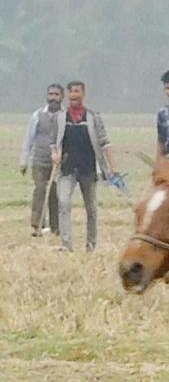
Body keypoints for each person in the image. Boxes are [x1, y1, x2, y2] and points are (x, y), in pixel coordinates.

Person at [52, 80, 120, 253]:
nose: (73, 95)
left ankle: (91, 244)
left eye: (77, 91)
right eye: (71, 92)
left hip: (88, 169)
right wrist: (55, 153)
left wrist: (113, 166)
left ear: (83, 94)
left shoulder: (93, 117)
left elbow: (105, 142)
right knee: (64, 203)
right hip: (67, 169)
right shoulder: (60, 117)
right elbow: (55, 142)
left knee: (91, 208)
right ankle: (66, 245)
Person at [20, 84, 64, 236]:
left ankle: (55, 227)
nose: (53, 97)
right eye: (51, 94)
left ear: (61, 97)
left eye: (56, 94)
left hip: (58, 162)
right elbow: (29, 138)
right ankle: (37, 225)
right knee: (39, 191)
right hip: (39, 160)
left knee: (54, 193)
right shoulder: (38, 115)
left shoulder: (65, 116)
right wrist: (24, 161)